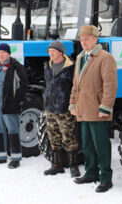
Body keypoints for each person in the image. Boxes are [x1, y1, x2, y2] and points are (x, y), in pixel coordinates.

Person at [69, 25, 117, 193]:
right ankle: (91, 173)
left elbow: (110, 86)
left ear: (96, 39)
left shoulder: (105, 58)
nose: (84, 42)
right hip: (83, 109)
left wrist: (105, 107)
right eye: (82, 39)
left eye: (87, 39)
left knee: (101, 146)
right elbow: (76, 84)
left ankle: (105, 178)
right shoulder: (81, 57)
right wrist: (73, 104)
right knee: (88, 145)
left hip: (97, 110)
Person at [0, 43, 28, 169]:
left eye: (3, 52)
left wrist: (16, 101)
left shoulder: (16, 66)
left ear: (8, 53)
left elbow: (23, 85)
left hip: (8, 102)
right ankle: (0, 156)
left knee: (13, 129)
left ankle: (15, 157)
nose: (1, 54)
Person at [42, 40, 80, 177]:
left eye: (53, 51)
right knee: (53, 137)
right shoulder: (47, 66)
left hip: (64, 108)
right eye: (49, 52)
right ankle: (56, 165)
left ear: (61, 52)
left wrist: (73, 104)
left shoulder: (72, 67)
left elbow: (76, 87)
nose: (51, 54)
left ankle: (73, 166)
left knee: (69, 138)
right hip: (50, 107)